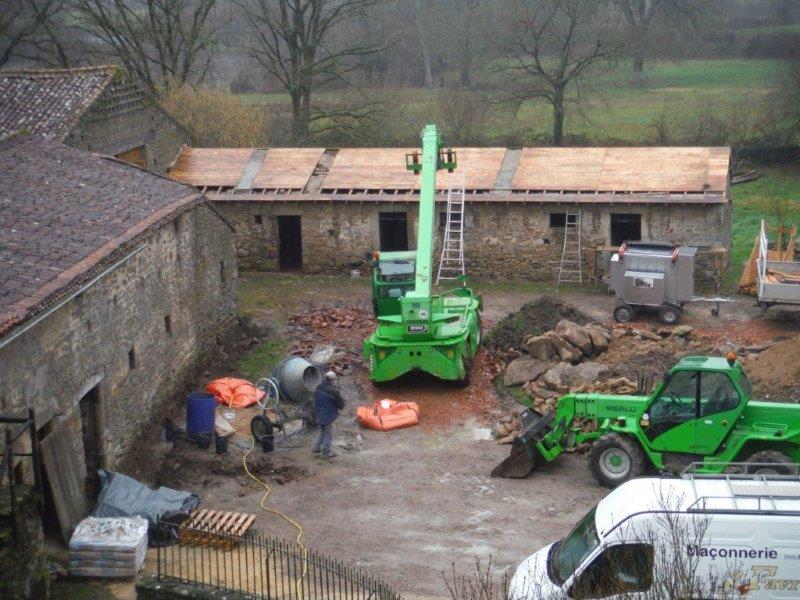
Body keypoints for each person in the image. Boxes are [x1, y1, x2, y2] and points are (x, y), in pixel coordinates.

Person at [313, 371, 345, 459]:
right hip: (327, 415)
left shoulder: (319, 387)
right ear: (333, 380)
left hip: (318, 413)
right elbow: (341, 405)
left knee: (323, 430)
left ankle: (316, 447)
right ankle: (326, 453)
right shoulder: (334, 391)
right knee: (328, 433)